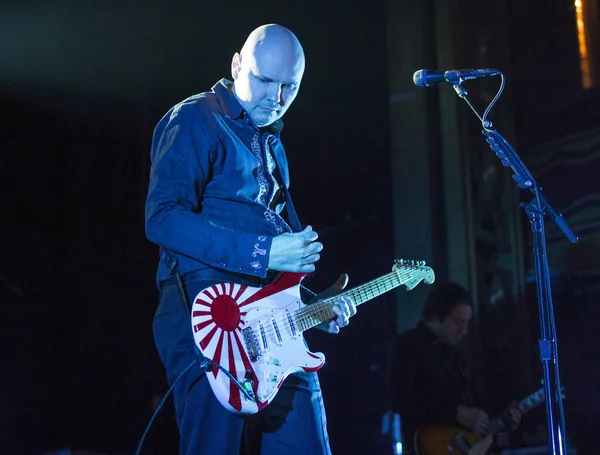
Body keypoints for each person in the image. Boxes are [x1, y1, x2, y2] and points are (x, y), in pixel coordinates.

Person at [144, 24, 357, 455]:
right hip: (208, 315)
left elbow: (278, 253)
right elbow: (162, 218)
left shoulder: (272, 143)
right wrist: (263, 251)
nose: (275, 99)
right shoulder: (195, 118)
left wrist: (314, 304)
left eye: (289, 88)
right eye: (264, 80)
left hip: (275, 326)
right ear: (237, 64)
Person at [387, 282, 521, 455]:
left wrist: (502, 421)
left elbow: (470, 408)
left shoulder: (454, 354)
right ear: (434, 316)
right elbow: (400, 401)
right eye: (458, 322)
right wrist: (455, 413)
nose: (464, 330)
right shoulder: (407, 345)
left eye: (466, 322)